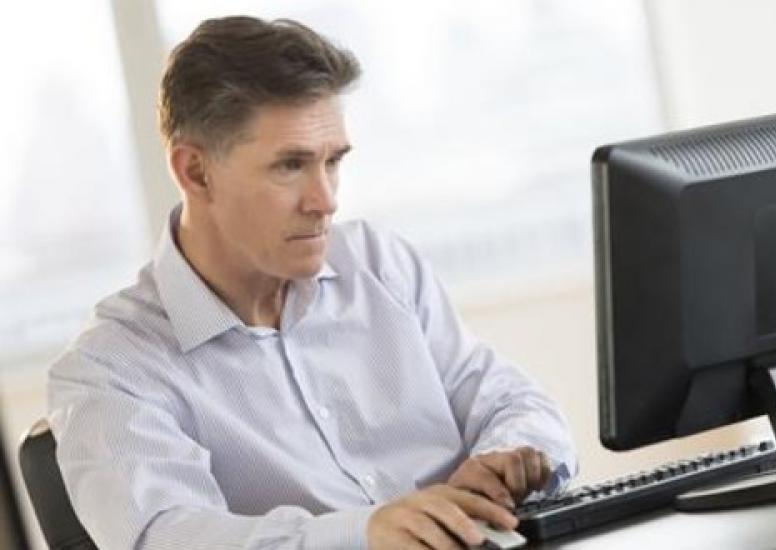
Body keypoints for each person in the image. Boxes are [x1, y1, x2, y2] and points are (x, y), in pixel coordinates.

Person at [47, 16, 576, 550]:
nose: (326, 200)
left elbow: (513, 400)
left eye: (333, 162)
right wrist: (365, 534)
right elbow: (165, 536)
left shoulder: (380, 265)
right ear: (195, 172)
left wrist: (507, 457)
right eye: (290, 166)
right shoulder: (112, 366)